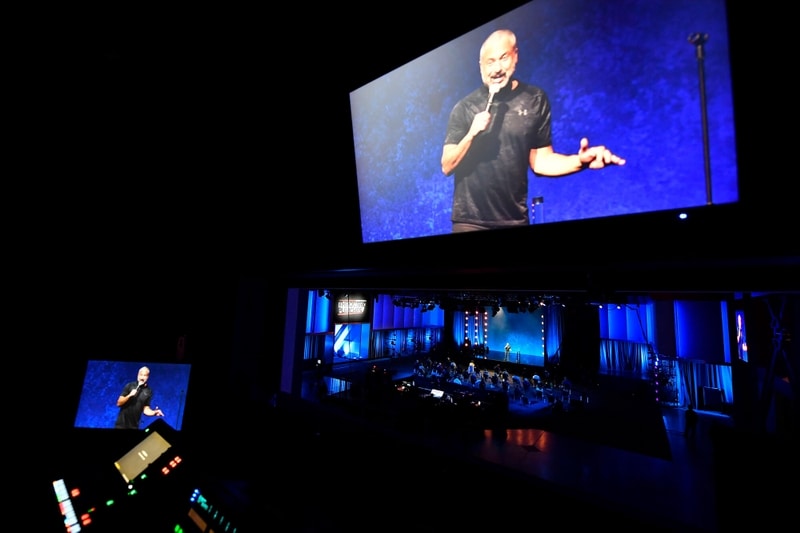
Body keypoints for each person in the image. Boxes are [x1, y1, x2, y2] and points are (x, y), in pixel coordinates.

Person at [441, 29, 626, 232]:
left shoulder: (535, 99)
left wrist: (579, 162)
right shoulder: (465, 107)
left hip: (515, 220)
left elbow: (541, 162)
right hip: (470, 222)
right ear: (481, 67)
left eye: (503, 58)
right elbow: (447, 166)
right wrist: (471, 134)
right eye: (490, 62)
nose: (496, 69)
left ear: (515, 56)